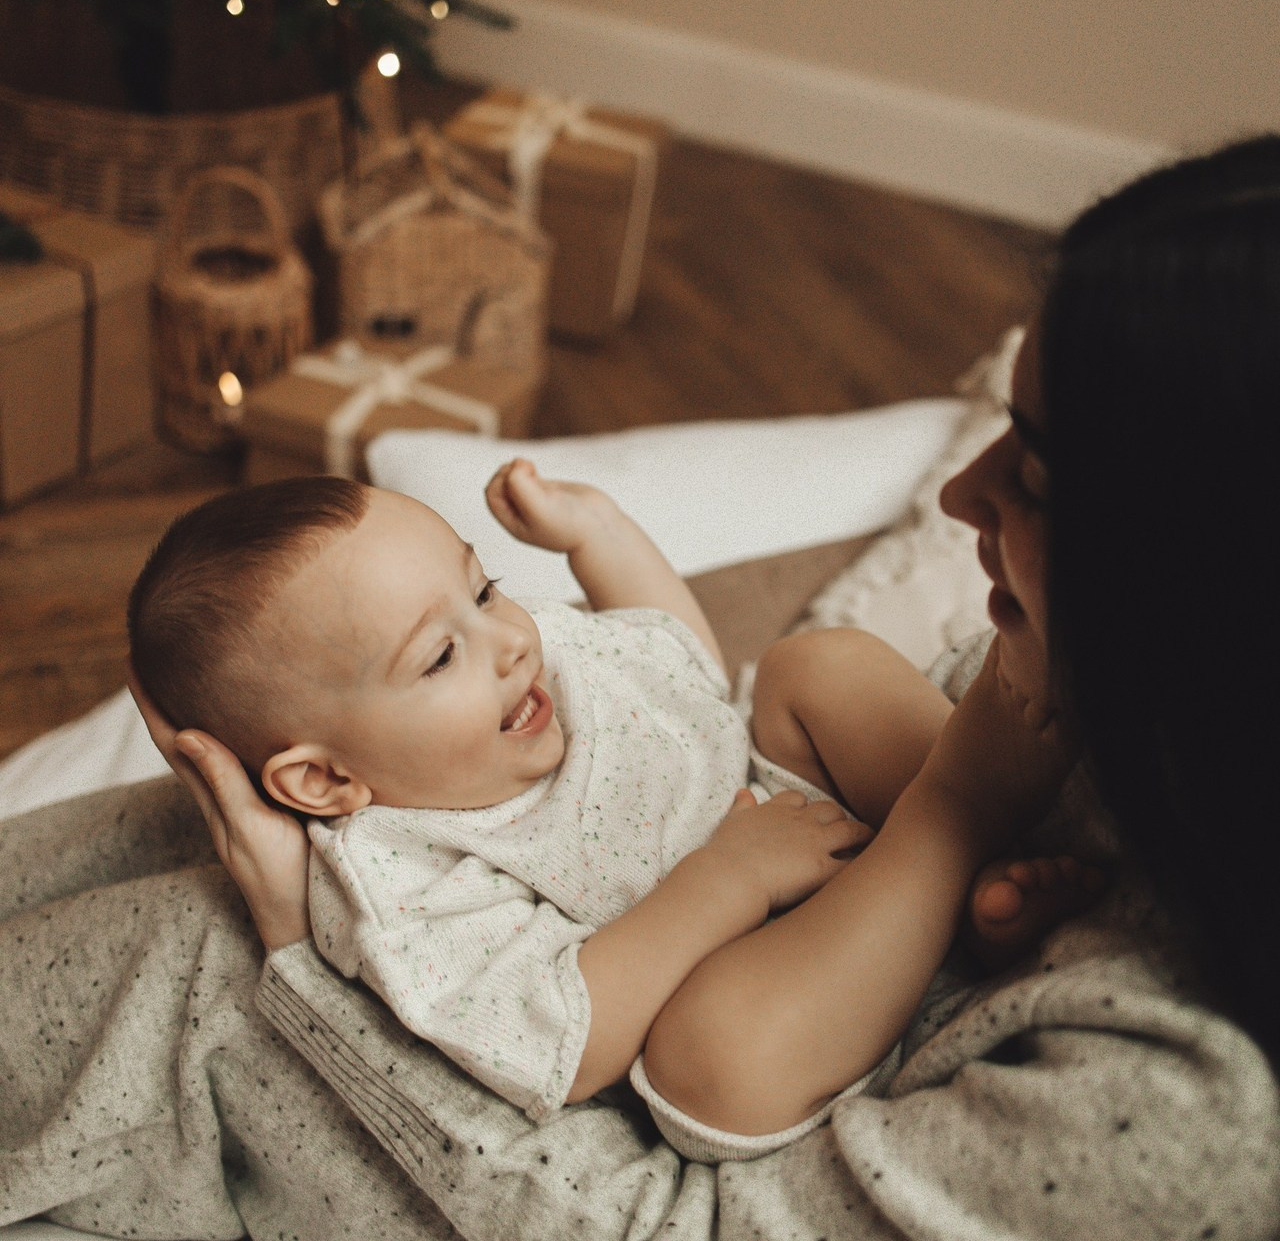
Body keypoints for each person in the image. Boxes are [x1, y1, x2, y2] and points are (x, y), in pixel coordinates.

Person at [3, 135, 1278, 1240]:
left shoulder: (1179, 1110)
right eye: (440, 650)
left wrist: (296, 956)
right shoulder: (1088, 688)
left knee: (179, 950)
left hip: (696, 1070)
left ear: (1201, 572)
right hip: (828, 901)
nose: (958, 494)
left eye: (1036, 474)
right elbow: (692, 678)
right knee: (816, 663)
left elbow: (649, 1177)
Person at [128, 459, 1067, 1160]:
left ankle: (983, 859)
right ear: (325, 781)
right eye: (440, 657)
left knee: (810, 667)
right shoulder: (397, 881)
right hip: (776, 999)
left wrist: (601, 537)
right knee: (709, 1066)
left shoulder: (524, 669)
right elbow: (563, 1044)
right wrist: (729, 877)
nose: (508, 638)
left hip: (811, 830)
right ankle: (957, 845)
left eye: (483, 587)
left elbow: (678, 672)